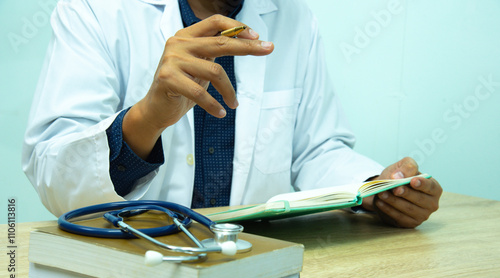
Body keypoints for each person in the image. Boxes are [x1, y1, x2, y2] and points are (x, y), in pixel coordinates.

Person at [22, 0, 442, 228]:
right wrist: (148, 117)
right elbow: (54, 176)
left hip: (255, 261)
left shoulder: (294, 16)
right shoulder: (95, 10)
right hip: (134, 262)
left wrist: (375, 189)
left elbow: (315, 149)